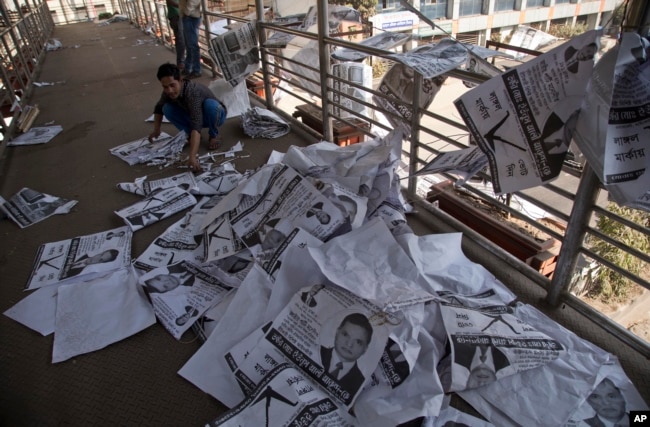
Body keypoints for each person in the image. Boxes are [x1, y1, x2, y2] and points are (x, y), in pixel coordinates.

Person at [149, 63, 227, 172]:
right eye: (165, 87)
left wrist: (192, 157)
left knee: (210, 106)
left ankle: (213, 135)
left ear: (180, 80)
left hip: (215, 115)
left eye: (172, 85)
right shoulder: (167, 92)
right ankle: (190, 135)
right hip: (194, 115)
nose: (169, 90)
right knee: (166, 108)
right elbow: (158, 108)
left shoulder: (192, 92)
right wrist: (156, 131)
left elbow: (196, 124)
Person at [320, 312, 373, 396]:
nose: (349, 344)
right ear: (337, 332)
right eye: (345, 334)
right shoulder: (316, 350)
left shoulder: (361, 383)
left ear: (365, 349)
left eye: (358, 342)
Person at [180, 0, 201, 78]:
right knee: (189, 45)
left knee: (192, 45)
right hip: (189, 16)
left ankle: (196, 70)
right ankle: (188, 67)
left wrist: (187, 12)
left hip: (190, 17)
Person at [165, 0, 185, 71]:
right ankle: (181, 61)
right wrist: (183, 7)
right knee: (181, 39)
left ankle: (181, 61)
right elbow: (170, 1)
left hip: (177, 15)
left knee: (180, 39)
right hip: (176, 16)